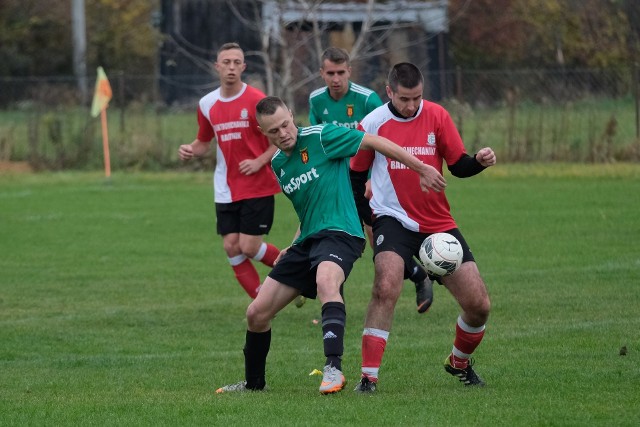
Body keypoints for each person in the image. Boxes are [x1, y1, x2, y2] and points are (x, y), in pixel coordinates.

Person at [215, 96, 446, 395]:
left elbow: (375, 141)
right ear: (263, 132)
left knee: (327, 280)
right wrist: (294, 243)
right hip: (309, 239)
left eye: (286, 124)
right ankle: (253, 385)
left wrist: (421, 168)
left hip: (342, 233)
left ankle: (333, 369)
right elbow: (309, 207)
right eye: (274, 131)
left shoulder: (322, 137)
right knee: (256, 313)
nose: (283, 133)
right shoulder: (278, 164)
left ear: (292, 115)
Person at [351, 62, 496, 392]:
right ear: (389, 92)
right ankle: (368, 378)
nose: (412, 105)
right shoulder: (372, 123)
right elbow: (355, 176)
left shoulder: (437, 116)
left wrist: (480, 161)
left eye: (417, 97)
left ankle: (458, 362)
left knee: (478, 306)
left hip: (437, 224)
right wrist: (370, 218)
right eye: (404, 98)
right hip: (392, 220)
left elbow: (458, 165)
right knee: (385, 286)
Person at [308, 46, 435, 314]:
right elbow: (316, 141)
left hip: (363, 181)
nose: (336, 78)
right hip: (334, 182)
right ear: (322, 73)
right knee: (330, 237)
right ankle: (332, 306)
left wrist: (370, 180)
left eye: (341, 72)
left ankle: (417, 274)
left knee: (377, 240)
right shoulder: (316, 101)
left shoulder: (366, 100)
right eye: (330, 72)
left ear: (349, 71)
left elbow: (387, 139)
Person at [178, 43, 281, 300]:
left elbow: (280, 140)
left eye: (237, 62)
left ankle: (298, 274)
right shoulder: (207, 103)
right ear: (217, 67)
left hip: (257, 185)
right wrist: (190, 150)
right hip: (225, 187)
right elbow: (203, 142)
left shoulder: (257, 101)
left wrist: (259, 161)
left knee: (248, 246)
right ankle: (261, 302)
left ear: (244, 67)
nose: (231, 67)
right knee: (231, 247)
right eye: (226, 62)